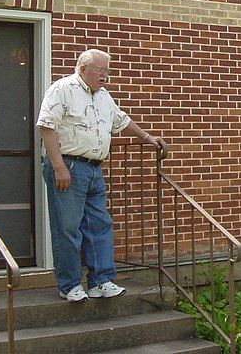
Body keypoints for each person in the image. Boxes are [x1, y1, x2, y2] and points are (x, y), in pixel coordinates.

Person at [37, 48, 166, 302]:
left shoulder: (103, 96)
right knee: (68, 228)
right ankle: (69, 285)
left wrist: (148, 138)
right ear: (83, 68)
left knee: (99, 225)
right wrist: (58, 166)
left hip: (95, 168)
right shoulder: (62, 89)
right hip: (69, 167)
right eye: (100, 70)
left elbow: (122, 120)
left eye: (107, 71)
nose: (104, 75)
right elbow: (46, 126)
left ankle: (101, 281)